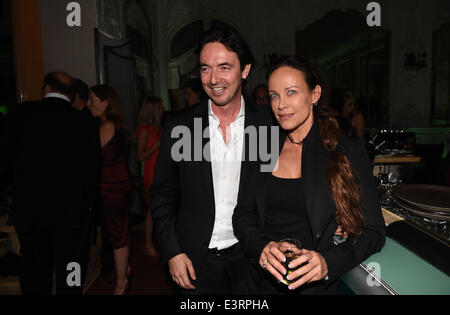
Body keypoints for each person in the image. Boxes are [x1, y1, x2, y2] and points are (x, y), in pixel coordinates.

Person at [232, 56, 386, 295]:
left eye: (291, 92)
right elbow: (242, 214)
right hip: (257, 284)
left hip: (313, 289)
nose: (281, 104)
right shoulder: (261, 147)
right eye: (274, 95)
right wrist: (261, 248)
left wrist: (328, 262)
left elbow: (374, 231)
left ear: (314, 95)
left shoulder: (345, 150)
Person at [149, 28, 276, 295]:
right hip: (194, 261)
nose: (213, 79)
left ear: (245, 70)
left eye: (224, 67)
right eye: (206, 69)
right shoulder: (179, 125)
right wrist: (172, 251)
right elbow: (162, 194)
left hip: (252, 260)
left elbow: (288, 185)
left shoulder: (269, 124)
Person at [4, 72, 98, 294]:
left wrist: (11, 192)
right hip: (72, 215)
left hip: (30, 212)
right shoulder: (84, 122)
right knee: (72, 270)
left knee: (35, 269)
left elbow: (6, 161)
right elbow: (93, 172)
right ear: (71, 93)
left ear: (46, 88)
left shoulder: (18, 115)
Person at [89, 84, 133, 295]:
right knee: (119, 231)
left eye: (93, 100)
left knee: (118, 235)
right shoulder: (115, 124)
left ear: (106, 102)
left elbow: (90, 160)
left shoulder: (107, 126)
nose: (89, 105)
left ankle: (121, 283)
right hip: (118, 183)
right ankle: (124, 270)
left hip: (111, 186)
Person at [134, 96, 164, 257]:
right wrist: (158, 145)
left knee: (159, 208)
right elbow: (140, 156)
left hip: (160, 171)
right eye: (160, 107)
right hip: (151, 172)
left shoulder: (157, 128)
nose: (163, 109)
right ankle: (147, 244)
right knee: (152, 209)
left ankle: (157, 241)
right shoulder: (145, 130)